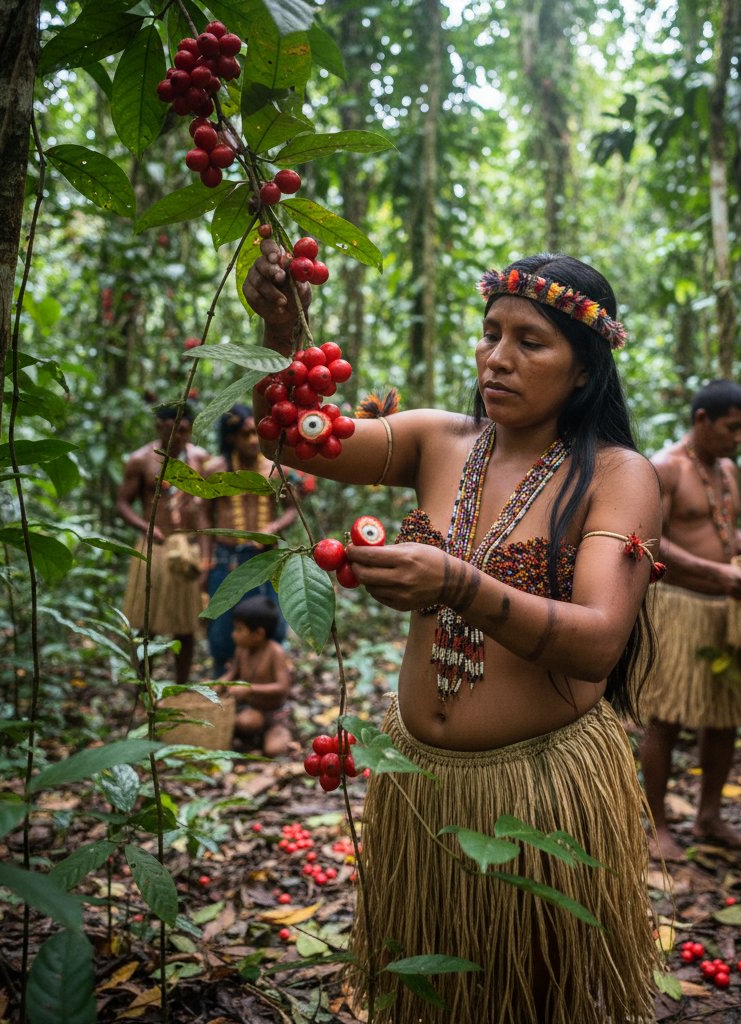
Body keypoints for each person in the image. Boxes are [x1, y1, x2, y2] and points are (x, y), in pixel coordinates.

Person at [243, 240, 662, 1023]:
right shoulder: (438, 440)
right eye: (491, 332)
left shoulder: (618, 475)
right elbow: (290, 436)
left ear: (583, 369)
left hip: (539, 793)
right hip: (420, 784)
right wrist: (280, 326)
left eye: (530, 342)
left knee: (530, 1000)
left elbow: (600, 640)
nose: (497, 358)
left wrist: (459, 584)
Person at [637, 379, 741, 861]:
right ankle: (658, 826)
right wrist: (715, 572)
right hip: (678, 606)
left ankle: (709, 817)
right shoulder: (666, 467)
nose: (738, 438)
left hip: (725, 610)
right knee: (665, 720)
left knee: (724, 719)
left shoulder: (726, 470)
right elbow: (651, 540)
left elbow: (727, 531)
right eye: (732, 428)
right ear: (702, 419)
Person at [203, 404, 301, 675]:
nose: (252, 441)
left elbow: (293, 508)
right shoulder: (216, 470)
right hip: (227, 558)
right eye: (244, 434)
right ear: (231, 437)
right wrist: (204, 559)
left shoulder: (275, 469)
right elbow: (204, 513)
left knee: (270, 627)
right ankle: (224, 687)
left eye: (255, 434)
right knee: (222, 630)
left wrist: (273, 526)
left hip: (265, 559)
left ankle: (267, 690)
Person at [117, 403, 210, 687]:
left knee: (186, 627)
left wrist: (206, 556)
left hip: (187, 548)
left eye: (183, 430)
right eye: (171, 429)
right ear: (159, 426)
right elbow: (122, 503)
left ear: (190, 430)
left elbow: (205, 511)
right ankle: (142, 690)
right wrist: (145, 526)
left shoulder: (200, 459)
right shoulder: (141, 460)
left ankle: (179, 688)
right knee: (145, 627)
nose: (177, 436)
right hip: (154, 549)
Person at [215, 595, 294, 756]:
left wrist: (249, 688)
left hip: (274, 713)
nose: (233, 635)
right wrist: (217, 685)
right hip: (252, 710)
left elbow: (283, 687)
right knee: (246, 722)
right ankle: (254, 738)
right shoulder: (241, 650)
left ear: (258, 633)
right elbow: (232, 674)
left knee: (274, 749)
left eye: (239, 630)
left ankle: (275, 731)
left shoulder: (275, 652)